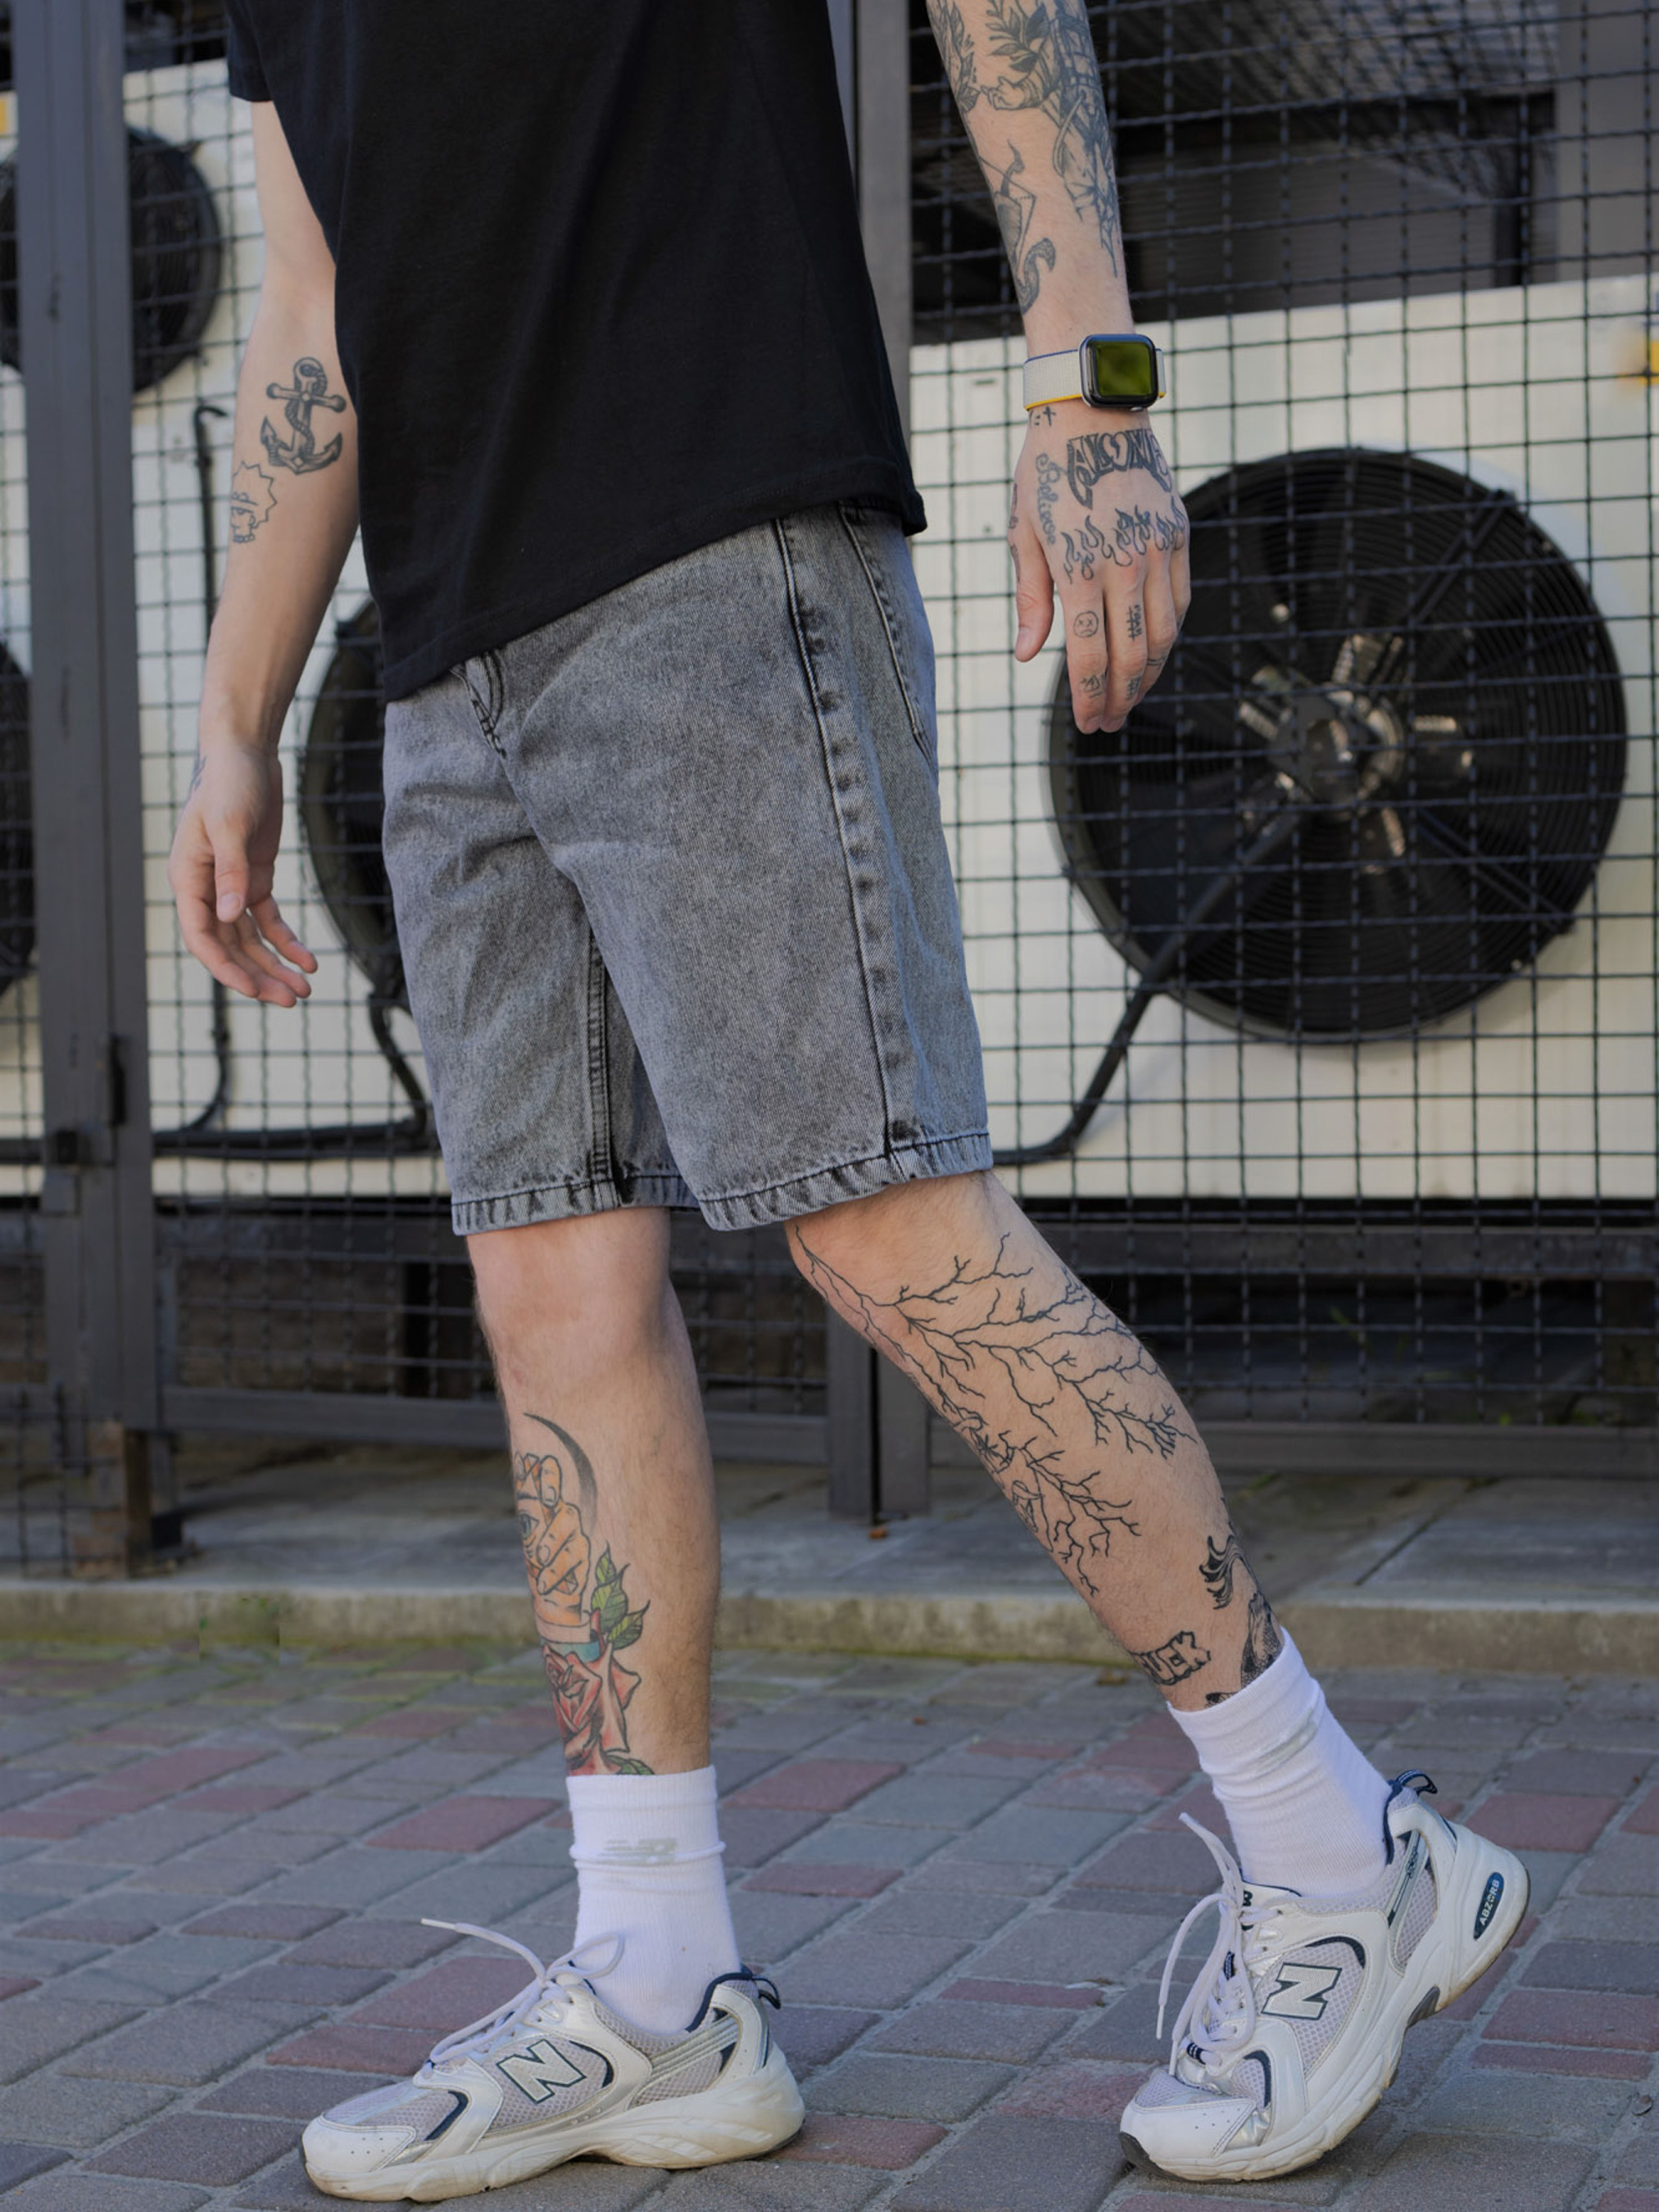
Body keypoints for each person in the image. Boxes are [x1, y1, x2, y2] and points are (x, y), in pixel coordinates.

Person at [170, 1, 1527, 2197]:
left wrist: (1090, 386)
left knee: (888, 1227)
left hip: (713, 557)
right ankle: (658, 1985)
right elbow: (312, 298)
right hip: (438, 658)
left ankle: (1340, 1845)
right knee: (549, 1293)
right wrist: (239, 711)